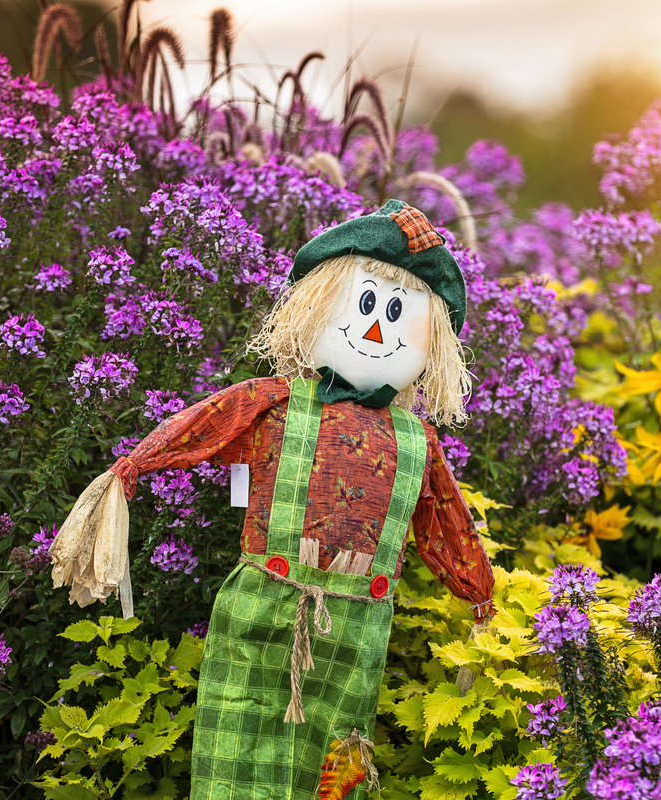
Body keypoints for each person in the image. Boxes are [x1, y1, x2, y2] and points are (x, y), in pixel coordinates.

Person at [50, 200, 495, 800]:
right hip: (260, 611)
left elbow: (445, 523)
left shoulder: (418, 442)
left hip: (358, 635)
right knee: (237, 748)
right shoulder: (270, 404)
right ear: (316, 304)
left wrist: (477, 590)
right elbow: (199, 428)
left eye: (397, 314)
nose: (375, 329)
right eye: (365, 304)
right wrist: (131, 472)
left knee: (338, 770)